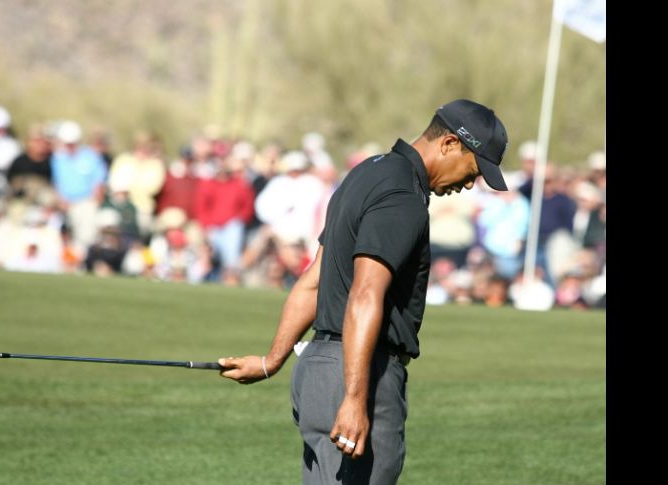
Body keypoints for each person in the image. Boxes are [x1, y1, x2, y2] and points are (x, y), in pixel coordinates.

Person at [218, 99, 509, 484]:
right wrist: (355, 399)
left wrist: (273, 359)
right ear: (450, 144)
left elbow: (313, 280)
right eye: (473, 170)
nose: (469, 184)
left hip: (318, 369)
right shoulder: (404, 195)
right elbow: (365, 294)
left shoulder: (367, 172)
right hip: (359, 372)